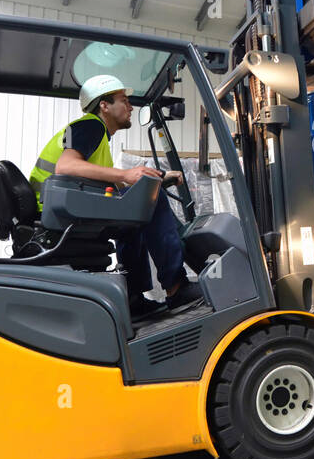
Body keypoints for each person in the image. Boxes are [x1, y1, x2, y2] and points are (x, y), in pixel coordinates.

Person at [30, 74, 203, 317]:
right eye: (124, 100)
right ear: (104, 105)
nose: (131, 107)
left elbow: (113, 187)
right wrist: (126, 175)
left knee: (133, 215)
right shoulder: (91, 126)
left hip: (64, 208)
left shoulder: (95, 135)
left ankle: (132, 297)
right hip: (61, 212)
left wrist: (159, 178)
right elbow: (66, 166)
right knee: (152, 202)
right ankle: (176, 287)